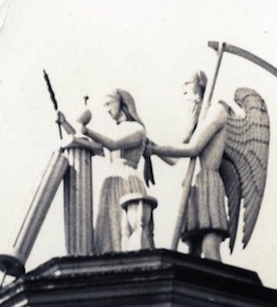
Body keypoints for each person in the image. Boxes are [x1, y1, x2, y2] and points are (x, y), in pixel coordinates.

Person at [148, 71, 231, 261]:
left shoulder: (216, 111)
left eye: (187, 83)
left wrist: (155, 150)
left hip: (207, 181)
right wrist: (152, 146)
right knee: (192, 250)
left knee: (210, 245)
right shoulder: (197, 118)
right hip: (191, 186)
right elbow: (174, 159)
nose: (183, 90)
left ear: (200, 85)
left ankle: (216, 289)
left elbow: (193, 149)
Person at [58, 89, 148, 254]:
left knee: (125, 230)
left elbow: (113, 144)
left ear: (120, 101)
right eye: (104, 106)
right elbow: (87, 143)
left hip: (127, 179)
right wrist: (65, 124)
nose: (106, 109)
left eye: (108, 104)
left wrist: (88, 130)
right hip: (111, 183)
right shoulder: (112, 130)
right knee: (109, 231)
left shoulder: (137, 128)